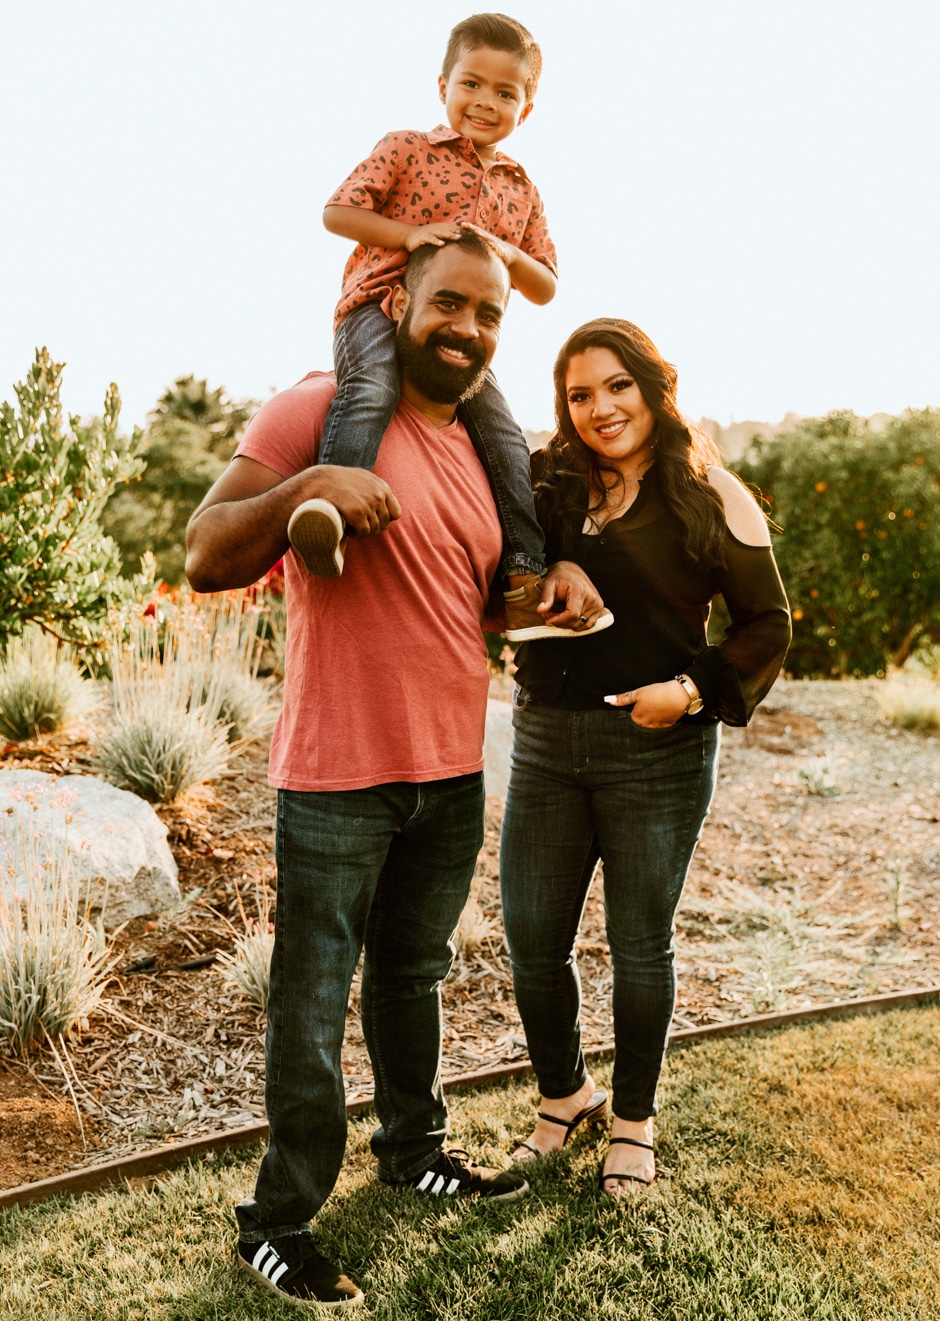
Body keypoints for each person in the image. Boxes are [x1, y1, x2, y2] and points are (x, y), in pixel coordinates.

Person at [185, 231, 607, 1308]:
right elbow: (205, 552)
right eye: (448, 303)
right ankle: (277, 1221)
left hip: (448, 772)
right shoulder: (319, 410)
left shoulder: (480, 448)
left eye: (488, 315)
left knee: (412, 981)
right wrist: (309, 488)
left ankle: (413, 1148)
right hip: (334, 774)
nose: (466, 328)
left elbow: (466, 606)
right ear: (400, 298)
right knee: (312, 1001)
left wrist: (547, 584)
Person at [499, 318, 791, 1197]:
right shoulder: (547, 484)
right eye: (580, 394)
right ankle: (564, 1096)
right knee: (531, 937)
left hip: (656, 751)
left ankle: (633, 1121)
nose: (599, 408)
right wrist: (548, 577)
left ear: (651, 387)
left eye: (616, 386)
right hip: (545, 740)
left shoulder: (709, 492)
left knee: (639, 943)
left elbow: (767, 625)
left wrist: (691, 692)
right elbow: (503, 578)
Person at [288, 14, 612, 642]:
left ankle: (520, 577)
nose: (485, 102)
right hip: (379, 307)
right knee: (372, 389)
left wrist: (508, 254)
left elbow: (544, 285)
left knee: (505, 436)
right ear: (443, 86)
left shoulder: (521, 190)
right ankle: (328, 510)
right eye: (472, 84)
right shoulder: (408, 148)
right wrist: (408, 237)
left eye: (505, 92)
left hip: (459, 343)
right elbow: (338, 211)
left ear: (528, 105)